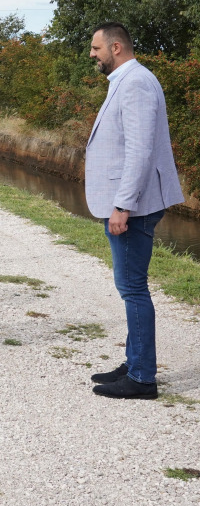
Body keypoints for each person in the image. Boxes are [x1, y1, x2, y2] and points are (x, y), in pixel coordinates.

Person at [85, 23, 183, 399]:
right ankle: (135, 359)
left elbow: (140, 150)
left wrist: (122, 205)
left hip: (133, 205)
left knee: (132, 288)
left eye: (96, 48)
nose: (92, 54)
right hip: (131, 203)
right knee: (131, 286)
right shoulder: (128, 79)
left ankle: (142, 378)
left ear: (116, 47)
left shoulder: (137, 82)